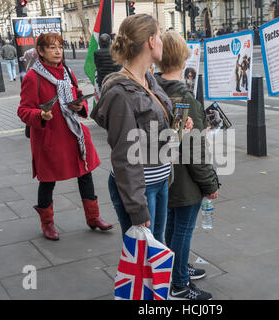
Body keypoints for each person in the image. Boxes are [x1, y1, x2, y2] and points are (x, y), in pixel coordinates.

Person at [91, 14, 193, 242]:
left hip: (159, 180)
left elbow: (152, 130)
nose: (161, 41)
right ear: (149, 41)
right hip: (141, 188)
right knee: (142, 258)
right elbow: (124, 155)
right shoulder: (121, 93)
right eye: (158, 36)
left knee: (155, 251)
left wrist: (178, 127)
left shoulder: (148, 79)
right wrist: (136, 206)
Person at [17, 33, 113, 241]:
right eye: (52, 48)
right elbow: (23, 110)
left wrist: (81, 105)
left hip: (74, 135)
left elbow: (77, 94)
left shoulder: (66, 71)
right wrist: (40, 115)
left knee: (85, 175)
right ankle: (48, 223)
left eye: (60, 46)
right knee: (47, 181)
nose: (58, 51)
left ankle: (93, 217)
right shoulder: (33, 77)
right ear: (41, 51)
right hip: (49, 138)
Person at [154, 31, 219, 300]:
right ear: (184, 59)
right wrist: (210, 183)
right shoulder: (185, 97)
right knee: (182, 230)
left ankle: (175, 269)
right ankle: (179, 283)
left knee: (171, 226)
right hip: (185, 178)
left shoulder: (154, 88)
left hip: (164, 173)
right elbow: (196, 150)